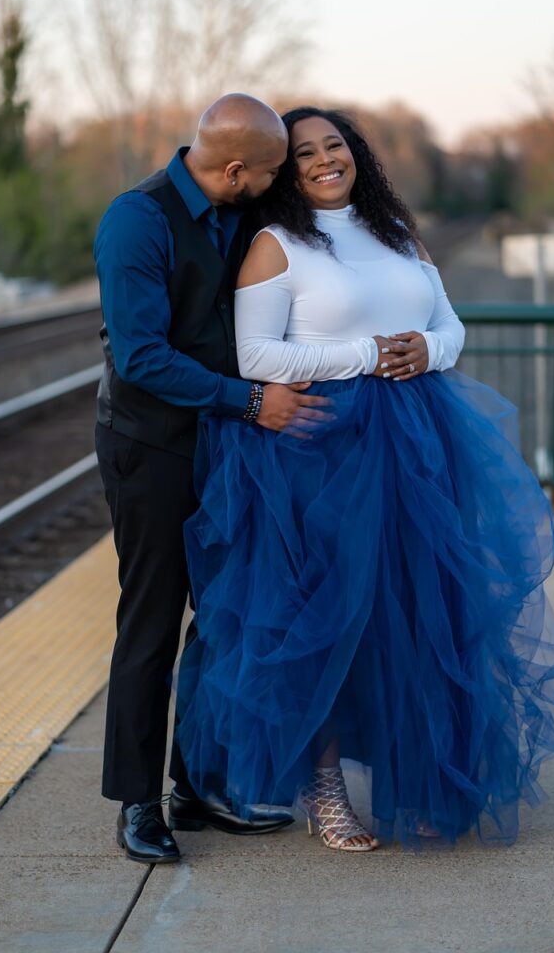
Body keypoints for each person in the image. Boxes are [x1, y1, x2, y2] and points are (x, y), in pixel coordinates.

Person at [175, 106, 554, 852]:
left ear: (356, 154)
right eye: (304, 154)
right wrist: (364, 356)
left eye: (336, 146)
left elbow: (453, 329)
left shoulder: (397, 234)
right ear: (283, 172)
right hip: (323, 453)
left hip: (421, 444)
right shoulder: (274, 244)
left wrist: (423, 347)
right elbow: (254, 357)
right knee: (331, 621)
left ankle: (415, 777)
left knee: (421, 614)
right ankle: (326, 792)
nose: (325, 160)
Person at [94, 94, 336, 865]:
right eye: (269, 173)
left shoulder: (241, 215)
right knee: (153, 621)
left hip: (230, 447)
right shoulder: (136, 220)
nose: (277, 186)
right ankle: (138, 802)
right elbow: (140, 357)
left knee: (224, 618)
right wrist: (253, 399)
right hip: (152, 447)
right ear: (235, 170)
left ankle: (195, 788)